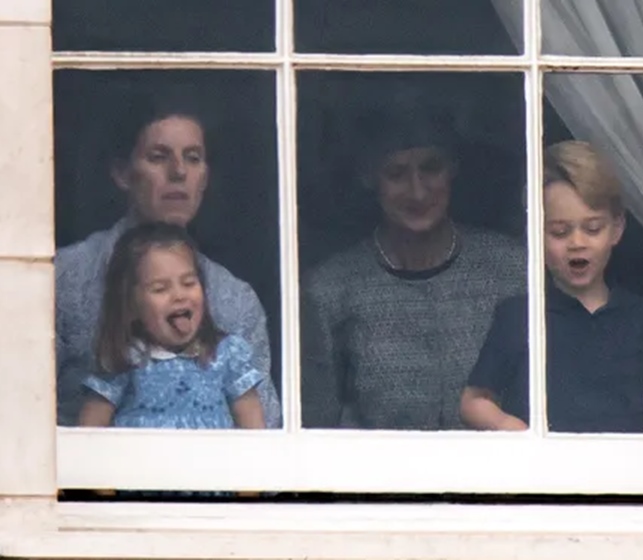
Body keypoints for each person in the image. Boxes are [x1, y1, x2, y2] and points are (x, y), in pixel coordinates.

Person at [56, 92, 281, 428]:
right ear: (122, 172)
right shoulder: (64, 277)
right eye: (159, 156)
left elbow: (265, 431)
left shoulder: (235, 300)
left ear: (204, 178)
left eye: (192, 158)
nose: (178, 172)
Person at [300, 106, 526, 430]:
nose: (418, 191)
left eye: (431, 168)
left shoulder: (511, 270)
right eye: (396, 173)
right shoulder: (331, 289)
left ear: (453, 169)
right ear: (369, 177)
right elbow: (316, 424)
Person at [461, 140, 643, 434]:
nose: (577, 243)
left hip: (623, 476)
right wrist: (515, 430)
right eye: (560, 232)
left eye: (593, 228)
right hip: (541, 475)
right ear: (535, 232)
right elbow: (474, 401)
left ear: (617, 228)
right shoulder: (520, 317)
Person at [78, 222, 266, 430]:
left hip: (212, 462)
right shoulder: (125, 359)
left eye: (188, 283)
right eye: (160, 289)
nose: (179, 296)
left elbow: (254, 428)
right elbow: (90, 431)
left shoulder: (225, 354)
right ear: (131, 306)